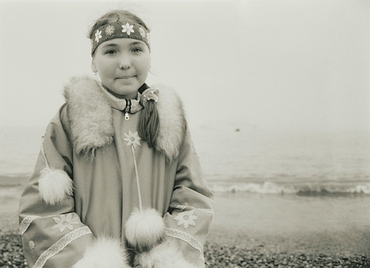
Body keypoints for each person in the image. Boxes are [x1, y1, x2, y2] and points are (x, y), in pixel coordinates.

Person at [19, 10, 214, 268]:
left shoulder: (170, 119)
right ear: (93, 61)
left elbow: (193, 198)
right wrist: (93, 260)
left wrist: (165, 256)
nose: (124, 62)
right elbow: (44, 206)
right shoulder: (72, 118)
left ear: (149, 55)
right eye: (111, 51)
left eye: (136, 49)